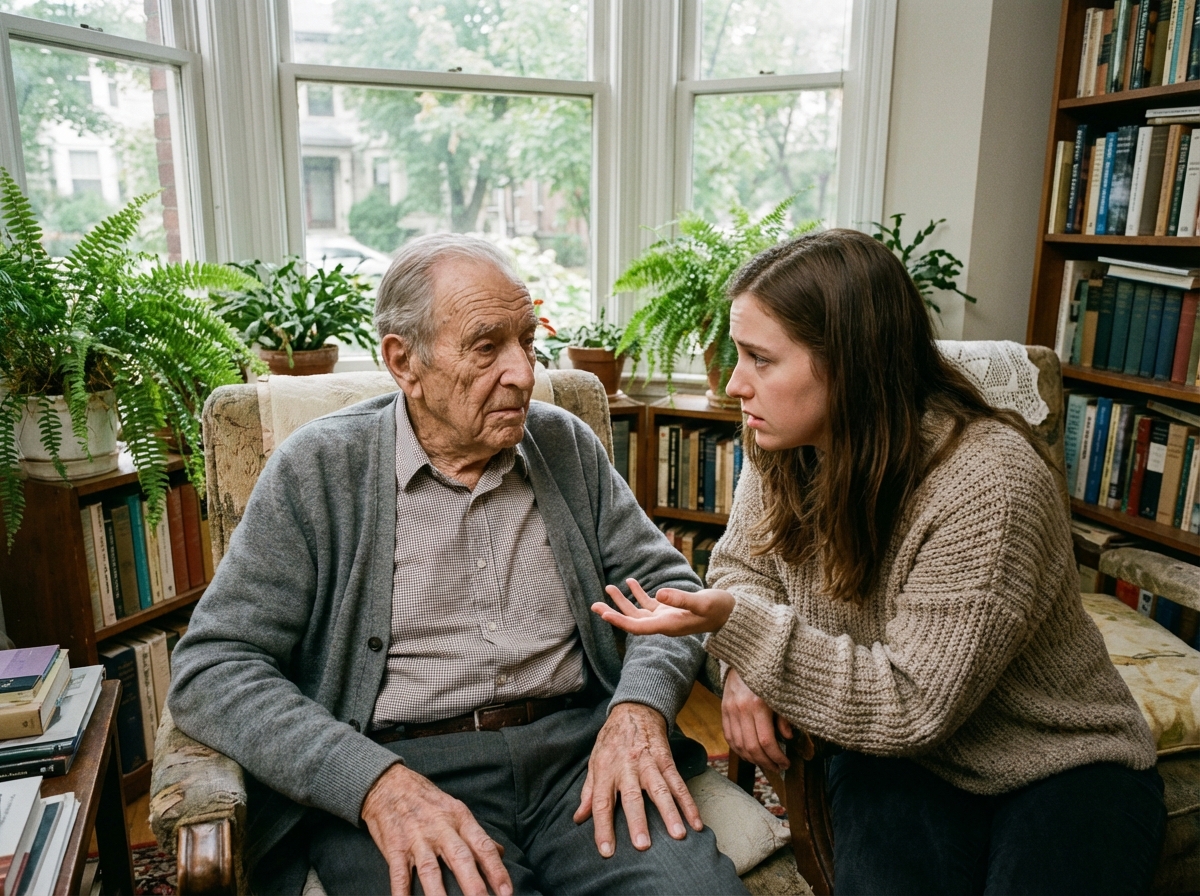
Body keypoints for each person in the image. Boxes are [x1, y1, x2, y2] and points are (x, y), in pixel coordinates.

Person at [168, 233, 747, 896]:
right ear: (403, 362)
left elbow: (670, 589)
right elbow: (213, 668)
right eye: (486, 347)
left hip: (580, 757)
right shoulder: (318, 470)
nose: (524, 373)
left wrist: (639, 708)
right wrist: (370, 782)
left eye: (527, 341)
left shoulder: (564, 445)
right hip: (403, 765)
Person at [592, 228, 1166, 895]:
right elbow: (742, 575)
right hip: (891, 757)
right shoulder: (782, 444)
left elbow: (912, 703)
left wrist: (741, 629)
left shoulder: (987, 481)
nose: (737, 384)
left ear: (850, 363)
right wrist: (746, 665)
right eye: (736, 354)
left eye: (760, 359)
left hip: (1055, 762)